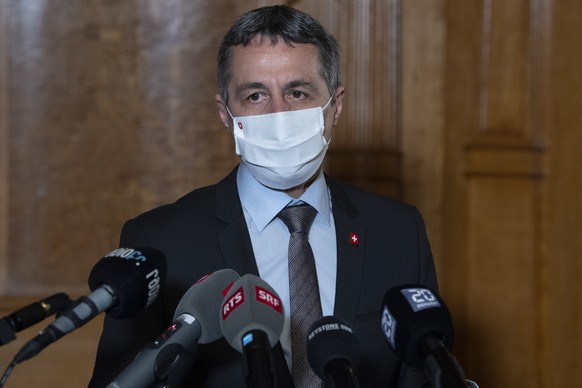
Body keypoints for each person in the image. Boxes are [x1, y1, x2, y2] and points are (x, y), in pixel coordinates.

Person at [89, 5, 438, 388]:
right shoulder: (162, 243)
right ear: (225, 113)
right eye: (255, 95)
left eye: (298, 92)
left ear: (335, 107)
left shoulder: (399, 233)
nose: (278, 115)